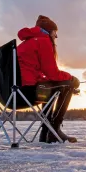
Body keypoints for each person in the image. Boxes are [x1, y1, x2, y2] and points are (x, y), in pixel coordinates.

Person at [17, 15, 80, 143]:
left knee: (48, 87)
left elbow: (33, 72)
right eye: (55, 32)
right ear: (49, 31)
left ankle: (46, 132)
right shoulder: (43, 41)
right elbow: (53, 74)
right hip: (27, 92)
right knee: (68, 85)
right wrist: (72, 78)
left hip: (13, 91)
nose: (55, 36)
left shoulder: (27, 42)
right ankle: (53, 130)